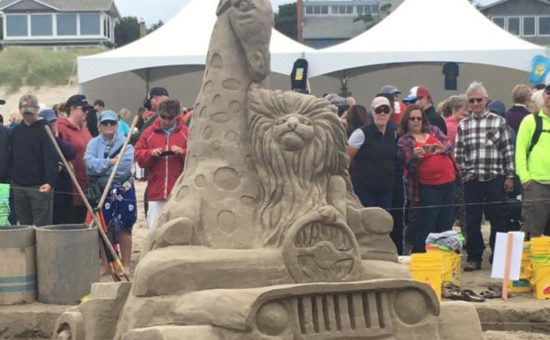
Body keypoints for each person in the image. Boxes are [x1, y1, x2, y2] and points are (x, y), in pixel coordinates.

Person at [455, 81, 515, 271]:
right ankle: (474, 256)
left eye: (479, 100)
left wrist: (509, 176)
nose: (476, 103)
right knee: (472, 221)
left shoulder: (499, 122)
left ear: (486, 100)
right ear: (468, 103)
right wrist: (464, 172)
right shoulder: (463, 125)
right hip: (472, 180)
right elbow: (458, 153)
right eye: (471, 100)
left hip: (495, 178)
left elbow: (508, 150)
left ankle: (498, 257)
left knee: (498, 219)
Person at [398, 104, 456, 253]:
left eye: (419, 118)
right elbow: (407, 165)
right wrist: (415, 156)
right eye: (412, 119)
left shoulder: (434, 130)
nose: (416, 121)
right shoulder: (405, 140)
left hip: (449, 182)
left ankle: (443, 257)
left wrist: (443, 148)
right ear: (407, 121)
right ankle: (421, 255)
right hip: (428, 187)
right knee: (427, 225)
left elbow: (449, 144)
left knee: (446, 224)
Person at [84, 110, 136, 272]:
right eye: (105, 123)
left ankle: (126, 264)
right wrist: (108, 163)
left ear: (116, 124)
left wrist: (101, 167)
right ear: (99, 126)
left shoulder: (125, 143)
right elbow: (88, 163)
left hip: (123, 189)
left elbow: (123, 167)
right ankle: (106, 265)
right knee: (104, 228)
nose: (108, 126)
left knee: (125, 227)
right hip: (102, 191)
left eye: (111, 123)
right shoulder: (93, 143)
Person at [135, 99, 189, 230]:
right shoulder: (148, 133)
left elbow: (197, 156)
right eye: (163, 116)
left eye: (170, 118)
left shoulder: (187, 133)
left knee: (178, 232)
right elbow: (138, 156)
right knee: (154, 230)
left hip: (179, 192)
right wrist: (150, 153)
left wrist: (182, 152)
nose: (166, 121)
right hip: (156, 190)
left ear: (177, 115)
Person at [9, 95, 58, 226]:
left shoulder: (45, 129)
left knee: (42, 226)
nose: (27, 115)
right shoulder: (16, 131)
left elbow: (51, 157)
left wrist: (50, 182)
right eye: (25, 112)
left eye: (30, 112)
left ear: (36, 110)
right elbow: (12, 156)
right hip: (19, 186)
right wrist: (13, 178)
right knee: (24, 226)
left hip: (40, 186)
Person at [347, 96, 396, 209]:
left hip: (386, 189)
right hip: (364, 189)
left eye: (386, 110)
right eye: (378, 110)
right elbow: (348, 159)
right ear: (372, 112)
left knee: (384, 224)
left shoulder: (393, 133)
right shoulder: (360, 134)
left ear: (390, 112)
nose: (382, 114)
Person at [515, 82, 550, 237]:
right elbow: (520, 150)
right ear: (543, 96)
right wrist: (525, 178)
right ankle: (532, 262)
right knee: (533, 232)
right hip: (536, 184)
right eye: (548, 92)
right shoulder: (530, 121)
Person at [57, 94, 93, 223]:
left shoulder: (84, 129)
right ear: (73, 109)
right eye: (83, 109)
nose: (86, 112)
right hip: (70, 185)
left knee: (83, 220)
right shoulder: (61, 127)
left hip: (86, 183)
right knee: (71, 220)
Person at [39, 109, 76, 225]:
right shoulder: (39, 140)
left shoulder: (58, 138)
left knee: (65, 213)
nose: (53, 124)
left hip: (64, 183)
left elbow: (71, 153)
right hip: (48, 183)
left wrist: (54, 138)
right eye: (49, 123)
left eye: (54, 121)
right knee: (53, 217)